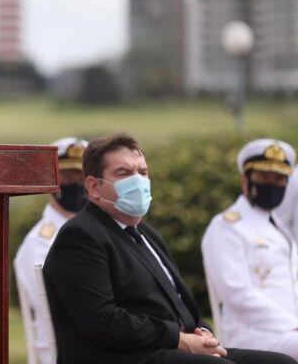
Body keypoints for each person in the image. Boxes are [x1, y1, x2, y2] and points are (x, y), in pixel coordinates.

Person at [43, 132, 296, 364]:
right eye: (124, 173)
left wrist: (202, 331)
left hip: (170, 347)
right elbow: (103, 321)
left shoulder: (143, 232)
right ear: (94, 187)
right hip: (124, 355)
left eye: (142, 172)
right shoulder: (81, 236)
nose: (138, 181)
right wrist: (179, 339)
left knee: (279, 363)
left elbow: (177, 301)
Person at [202, 139, 298, 357]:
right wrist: (291, 324)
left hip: (288, 333)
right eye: (264, 177)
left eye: (280, 178)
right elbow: (237, 292)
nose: (273, 184)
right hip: (251, 336)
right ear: (245, 180)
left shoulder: (278, 227)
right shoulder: (226, 226)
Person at [14, 137, 88, 364]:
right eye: (66, 176)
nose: (75, 183)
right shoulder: (39, 242)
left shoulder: (95, 230)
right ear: (52, 181)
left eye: (80, 176)